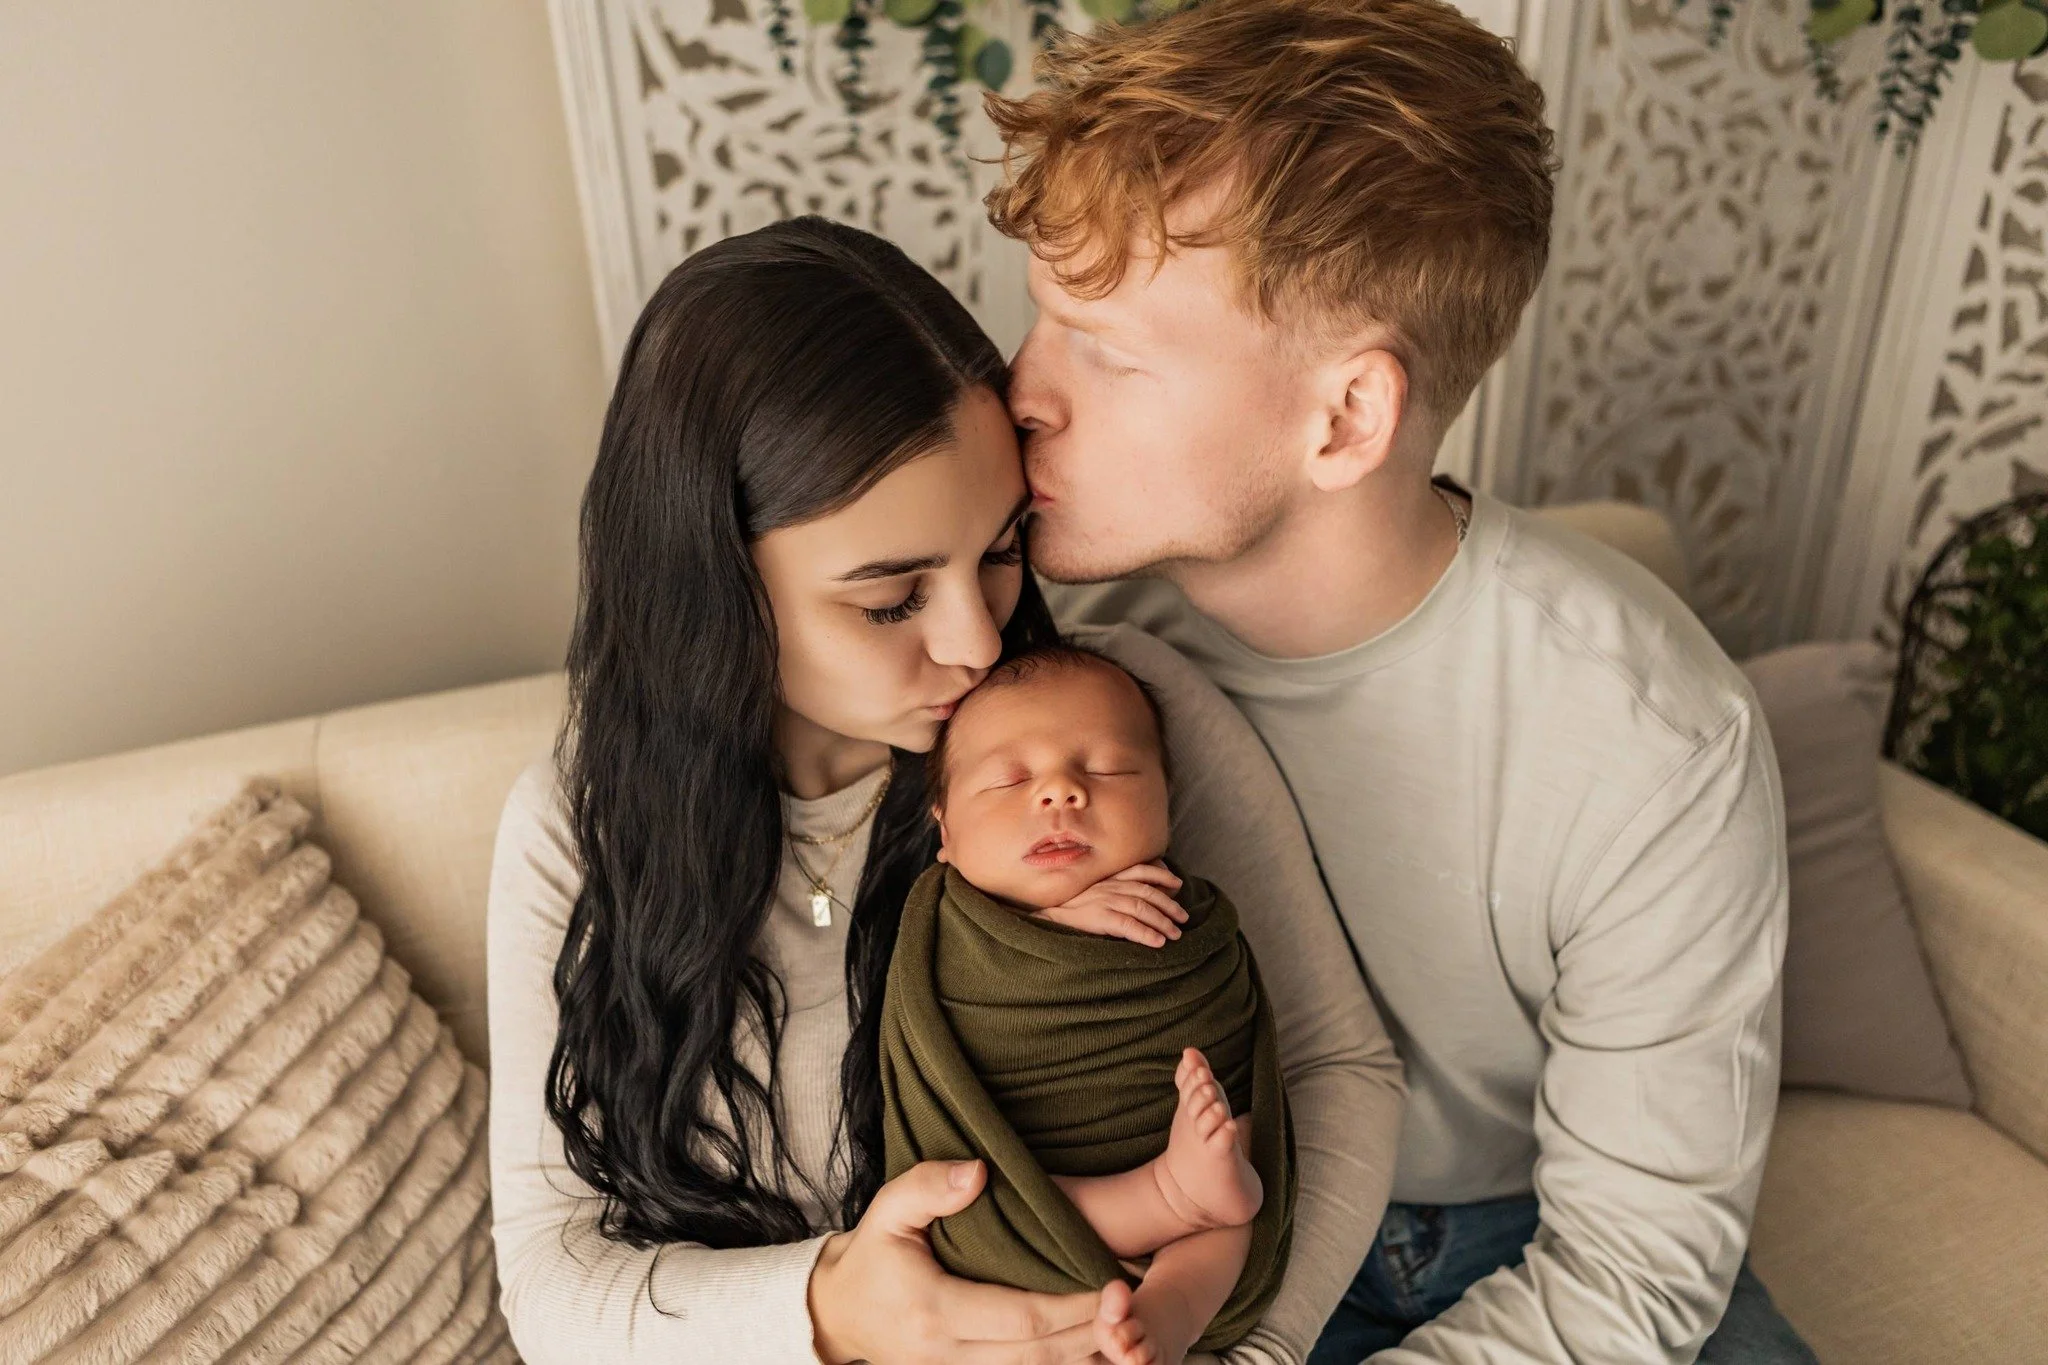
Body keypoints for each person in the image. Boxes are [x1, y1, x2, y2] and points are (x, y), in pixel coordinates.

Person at [982, 0, 1816, 1361]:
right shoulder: (1043, 643)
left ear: (1346, 418)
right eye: (1043, 322)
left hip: (1535, 1231)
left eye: (1109, 352)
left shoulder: (1657, 736)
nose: (1022, 391)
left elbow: (1632, 1268)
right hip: (1206, 1227)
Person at [484, 214, 1405, 1365]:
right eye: (890, 601)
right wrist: (835, 1309)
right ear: (712, 583)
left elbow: (1332, 1072)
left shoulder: (1101, 723)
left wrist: (1237, 1356)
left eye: (1000, 548)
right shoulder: (581, 827)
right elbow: (554, 1270)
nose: (976, 644)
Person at [888, 643, 1292, 1365]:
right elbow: (945, 1031)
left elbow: (1243, 1037)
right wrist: (1048, 934)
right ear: (944, 830)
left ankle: (1171, 1312)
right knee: (982, 1196)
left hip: (1200, 1163)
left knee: (1244, 1164)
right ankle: (1169, 1194)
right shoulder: (942, 932)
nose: (1059, 792)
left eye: (1106, 768)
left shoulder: (1191, 919)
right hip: (1034, 1198)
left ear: (1169, 798)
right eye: (1010, 778)